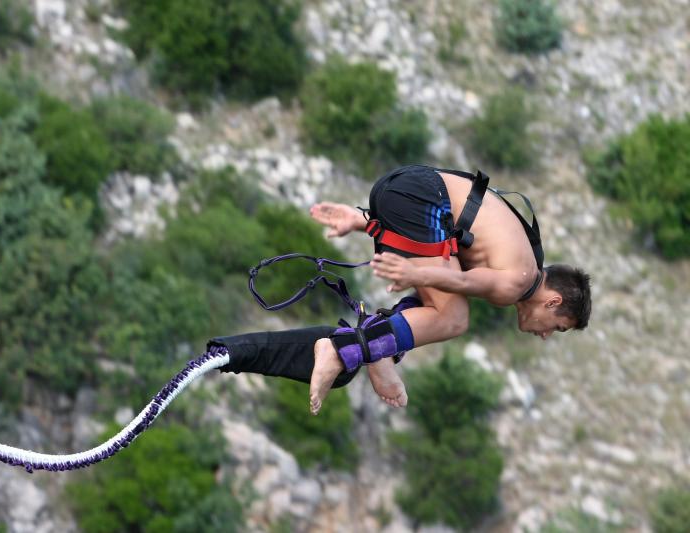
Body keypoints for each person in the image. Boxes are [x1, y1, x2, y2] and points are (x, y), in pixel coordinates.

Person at [210, 165, 591, 415]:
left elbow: (454, 258)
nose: (545, 334)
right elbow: (462, 281)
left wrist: (362, 222)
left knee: (437, 308)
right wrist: (413, 270)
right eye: (556, 326)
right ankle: (346, 348)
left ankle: (376, 350)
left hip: (407, 190)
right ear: (554, 301)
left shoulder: (522, 255)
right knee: (454, 317)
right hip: (421, 199)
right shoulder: (520, 280)